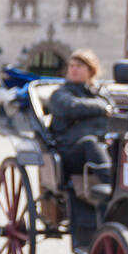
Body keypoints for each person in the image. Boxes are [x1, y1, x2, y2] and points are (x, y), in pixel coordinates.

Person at [47, 48, 114, 186]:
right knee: (90, 143)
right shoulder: (60, 94)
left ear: (91, 70)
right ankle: (110, 186)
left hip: (102, 146)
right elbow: (71, 106)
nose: (74, 69)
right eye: (71, 66)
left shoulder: (100, 94)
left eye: (79, 66)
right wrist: (101, 108)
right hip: (70, 153)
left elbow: (112, 107)